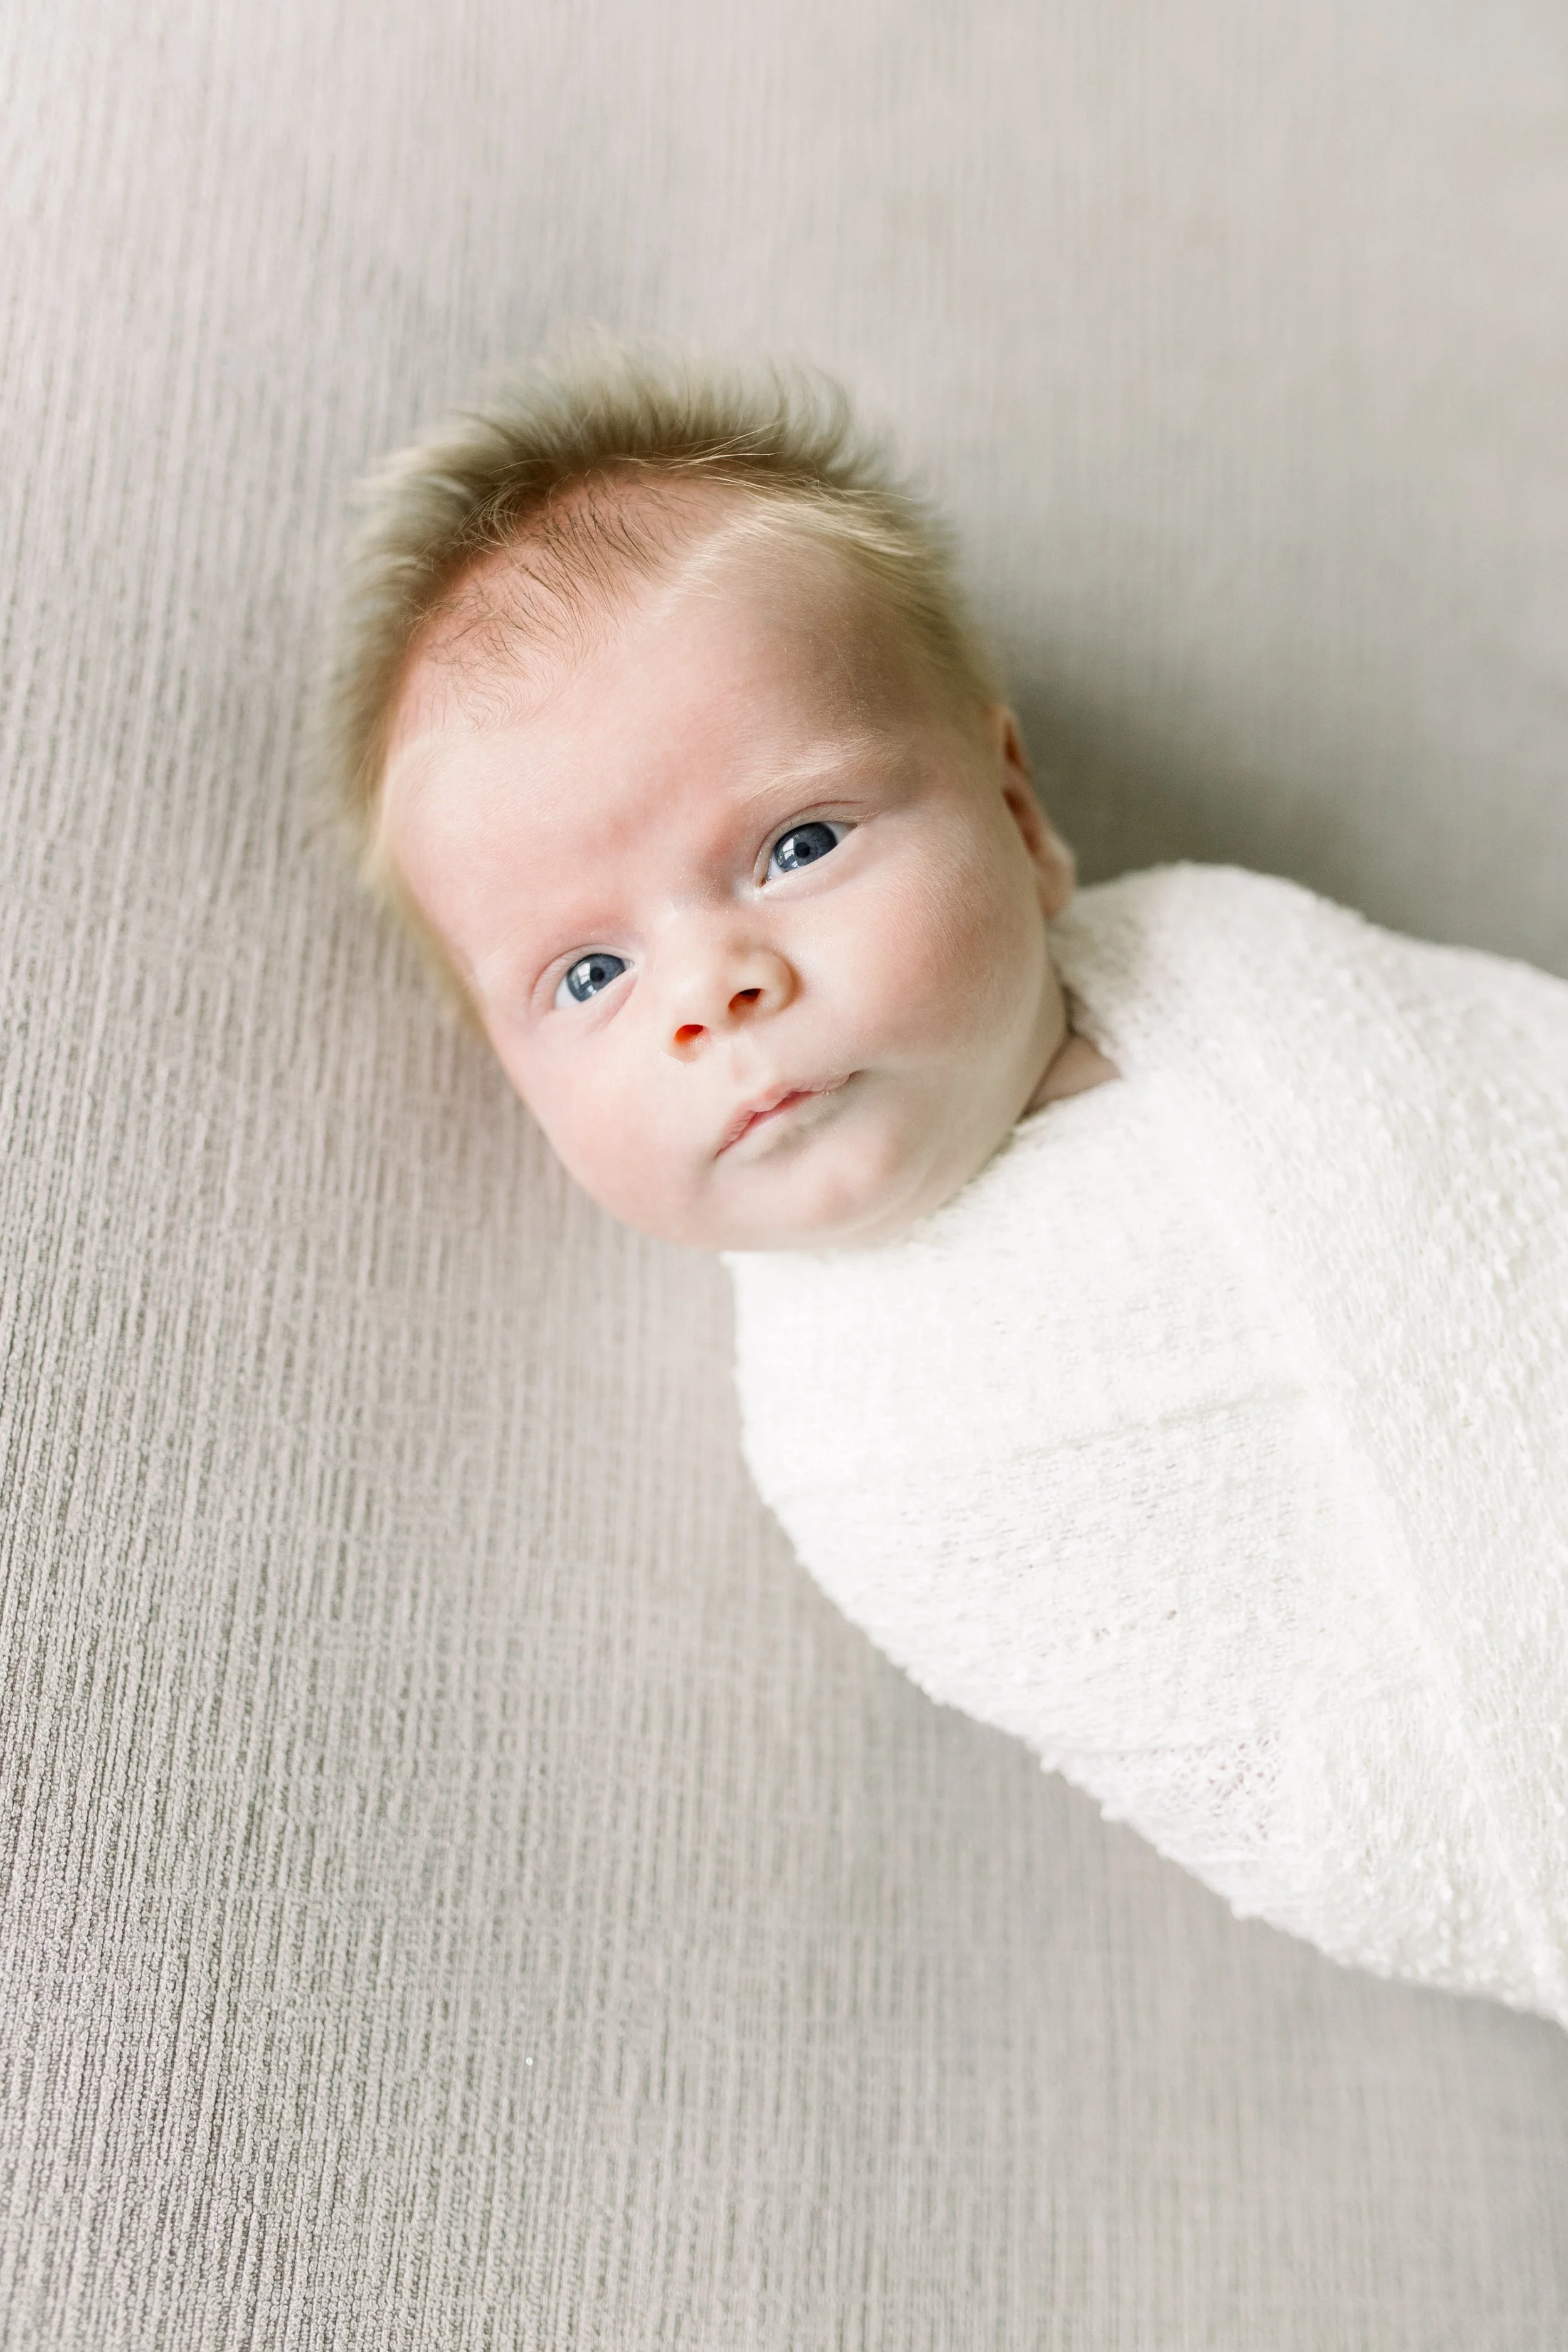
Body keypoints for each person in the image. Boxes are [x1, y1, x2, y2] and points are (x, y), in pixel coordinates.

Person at [319, 339, 1568, 2025]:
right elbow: (1273, 1748)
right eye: (588, 977)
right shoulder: (871, 1441)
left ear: (1016, 811)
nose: (713, 985)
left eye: (796, 844)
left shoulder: (1243, 966)